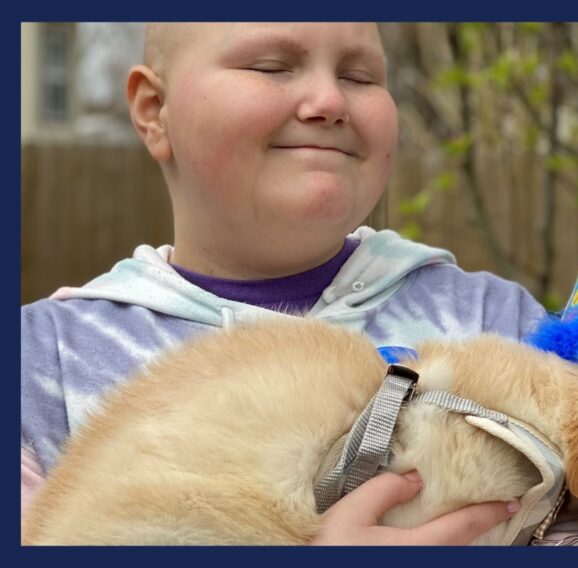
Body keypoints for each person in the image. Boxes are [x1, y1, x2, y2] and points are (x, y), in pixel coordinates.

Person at [21, 23, 547, 545]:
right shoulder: (41, 362)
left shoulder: (499, 327)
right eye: (271, 67)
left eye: (359, 76)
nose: (329, 99)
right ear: (155, 112)